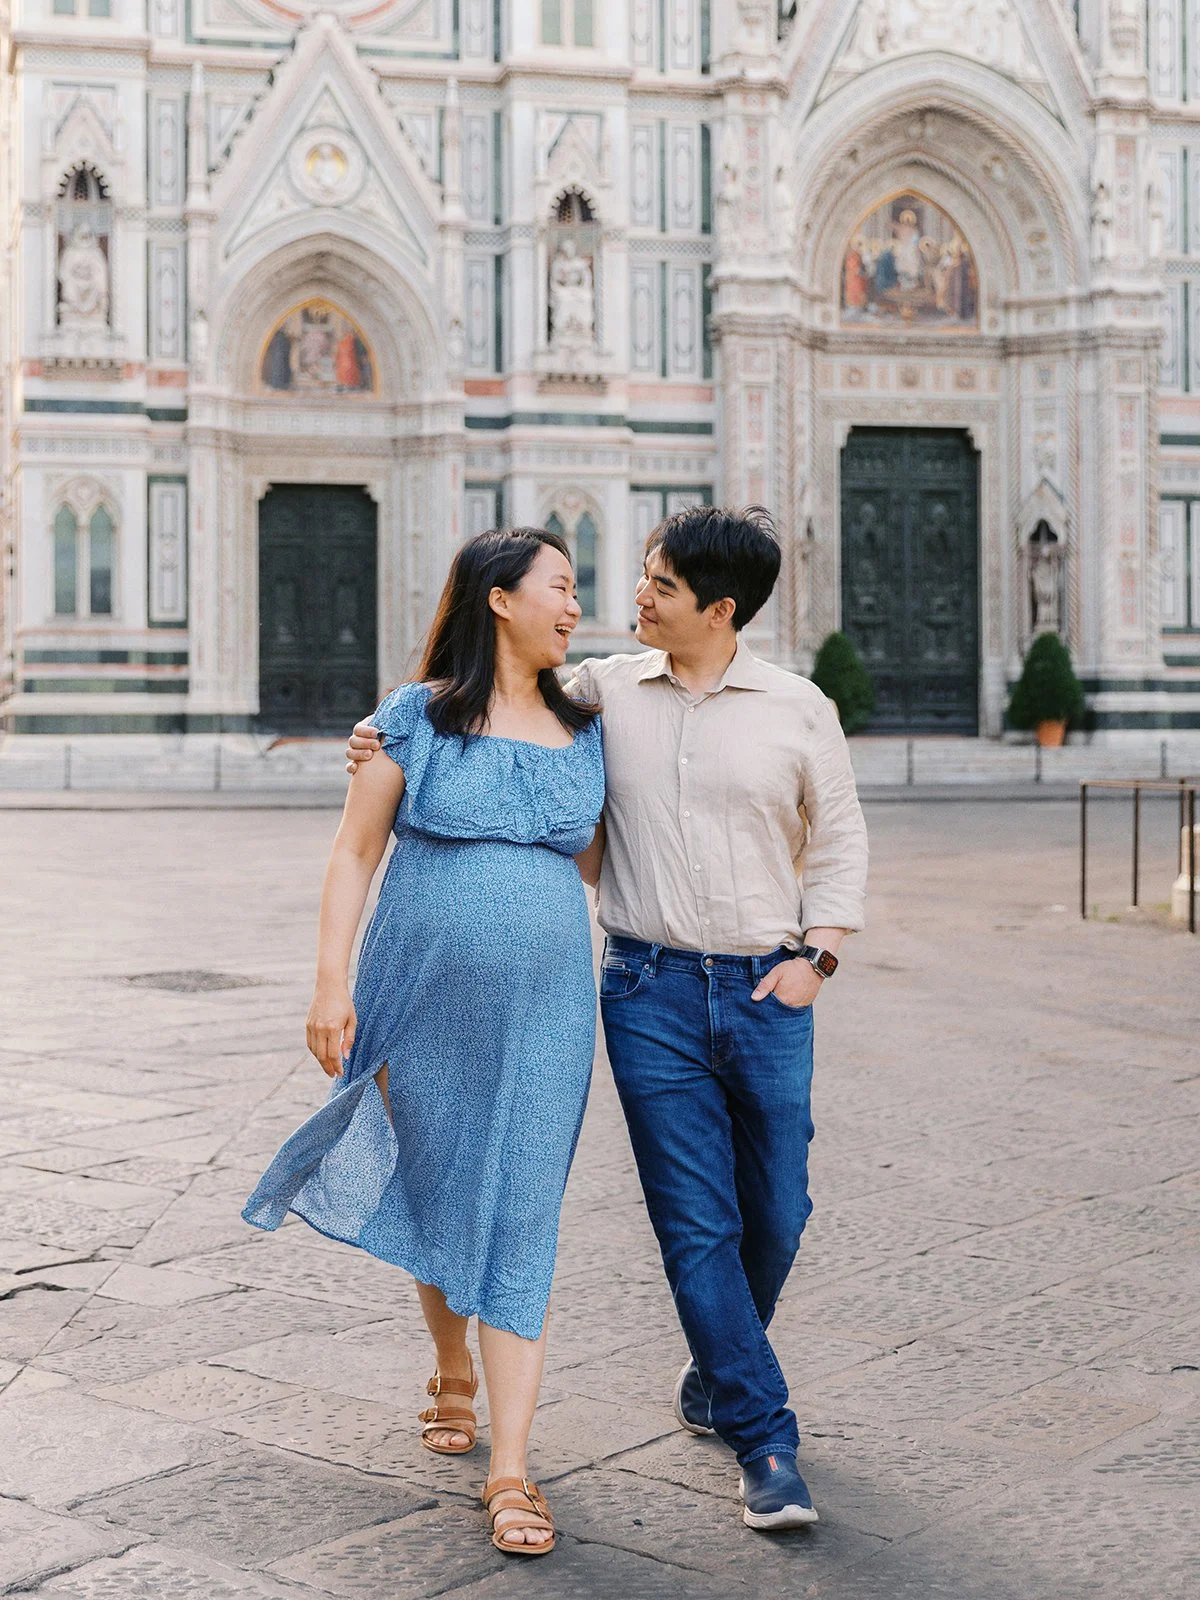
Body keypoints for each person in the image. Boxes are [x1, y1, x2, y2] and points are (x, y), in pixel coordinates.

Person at [348, 506, 868, 1532]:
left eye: (659, 584)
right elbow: (488, 693)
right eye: (632, 578)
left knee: (780, 1209)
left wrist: (820, 954)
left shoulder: (799, 706)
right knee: (694, 1222)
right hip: (647, 990)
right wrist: (385, 728)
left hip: (770, 987)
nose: (631, 597)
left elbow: (841, 838)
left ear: (718, 609)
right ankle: (765, 1439)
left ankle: (720, 1365)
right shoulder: (599, 691)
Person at [245, 527, 605, 1558]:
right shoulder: (413, 719)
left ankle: (512, 1468)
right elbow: (355, 854)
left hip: (548, 1012)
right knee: (442, 1180)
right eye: (561, 589)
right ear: (499, 599)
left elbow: (600, 860)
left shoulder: (588, 725)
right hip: (418, 996)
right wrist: (327, 984)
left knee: (524, 1207)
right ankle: (451, 1366)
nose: (574, 609)